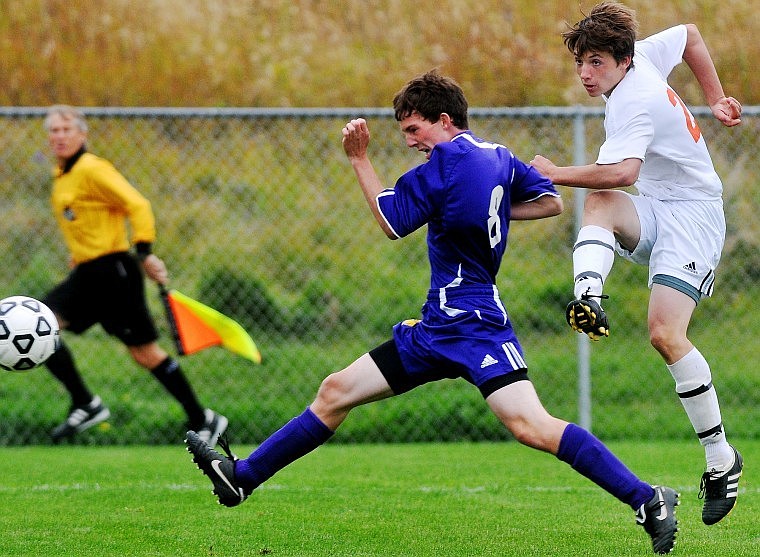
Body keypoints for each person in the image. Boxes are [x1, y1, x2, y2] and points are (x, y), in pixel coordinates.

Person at [186, 70, 678, 554]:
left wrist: (358, 158)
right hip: (446, 326)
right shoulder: (499, 157)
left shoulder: (441, 168)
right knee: (336, 391)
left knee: (532, 426)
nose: (409, 142)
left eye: (413, 129)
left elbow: (390, 221)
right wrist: (487, 208)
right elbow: (549, 202)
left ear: (444, 121)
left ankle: (647, 498)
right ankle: (242, 477)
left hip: (467, 325)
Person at [529, 2, 742, 526]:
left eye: (596, 61)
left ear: (623, 60)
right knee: (598, 205)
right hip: (656, 205)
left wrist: (555, 171)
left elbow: (622, 171)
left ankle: (721, 460)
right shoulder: (643, 55)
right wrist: (715, 100)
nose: (585, 73)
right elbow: (691, 34)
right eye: (581, 61)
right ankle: (588, 297)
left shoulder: (636, 100)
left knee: (665, 335)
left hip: (693, 216)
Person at [42, 105, 228, 447]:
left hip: (112, 271)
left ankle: (201, 418)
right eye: (54, 130)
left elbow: (137, 205)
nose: (60, 136)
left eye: (67, 129)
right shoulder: (63, 175)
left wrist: (144, 253)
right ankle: (87, 402)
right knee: (41, 325)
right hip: (90, 271)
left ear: (82, 134)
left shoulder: (92, 168)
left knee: (142, 352)